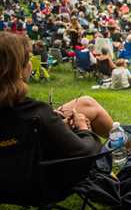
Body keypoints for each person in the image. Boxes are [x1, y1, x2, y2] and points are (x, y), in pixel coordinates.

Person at [0, 32, 114, 160]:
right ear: (18, 69)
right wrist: (83, 129)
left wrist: (57, 125)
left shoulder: (23, 111)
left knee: (86, 102)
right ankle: (130, 143)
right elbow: (86, 153)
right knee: (87, 105)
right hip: (47, 174)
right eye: (28, 59)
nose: (30, 64)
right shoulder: (35, 114)